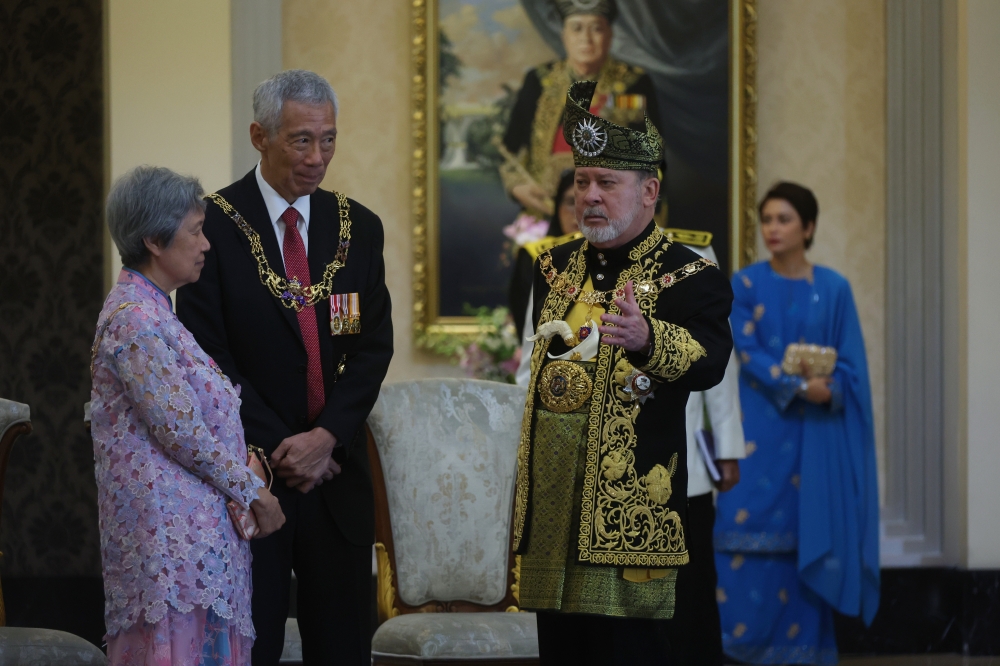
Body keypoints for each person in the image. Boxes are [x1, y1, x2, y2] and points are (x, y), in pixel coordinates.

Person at [177, 70, 394, 665]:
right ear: (259, 135)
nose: (317, 157)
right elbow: (206, 356)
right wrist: (283, 446)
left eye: (328, 139)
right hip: (253, 478)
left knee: (344, 647)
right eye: (301, 140)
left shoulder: (359, 227)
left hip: (336, 474)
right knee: (256, 645)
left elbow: (373, 347)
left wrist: (326, 439)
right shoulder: (207, 228)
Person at [514, 80, 733, 665]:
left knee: (633, 653)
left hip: (629, 513)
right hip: (554, 512)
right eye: (583, 181)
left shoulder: (693, 274)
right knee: (563, 651)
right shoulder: (552, 266)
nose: (590, 196)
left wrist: (649, 339)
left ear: (649, 191)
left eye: (607, 183)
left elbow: (712, 361)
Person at [92, 166, 286, 666]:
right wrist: (253, 491)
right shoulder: (134, 318)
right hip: (170, 554)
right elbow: (180, 431)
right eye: (196, 232)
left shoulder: (157, 312)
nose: (206, 245)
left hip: (195, 551)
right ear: (155, 240)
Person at [714, 182, 880, 665]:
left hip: (814, 442)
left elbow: (851, 364)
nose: (773, 229)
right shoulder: (743, 285)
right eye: (767, 219)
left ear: (808, 227)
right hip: (756, 435)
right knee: (738, 548)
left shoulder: (833, 289)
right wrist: (803, 388)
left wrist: (833, 388)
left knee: (805, 548)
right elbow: (749, 352)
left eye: (784, 219)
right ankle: (738, 651)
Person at [500, 0, 660, 218]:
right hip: (546, 215)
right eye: (576, 28)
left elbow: (653, 158)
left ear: (609, 35)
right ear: (564, 35)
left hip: (617, 218)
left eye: (596, 28)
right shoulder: (539, 81)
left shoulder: (634, 83)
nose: (586, 39)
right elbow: (509, 150)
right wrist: (518, 188)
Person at [508, 169, 581, 334]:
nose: (579, 211)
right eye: (571, 202)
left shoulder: (618, 254)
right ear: (557, 207)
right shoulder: (534, 255)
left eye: (588, 203)